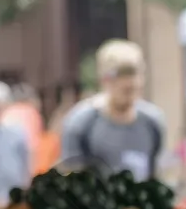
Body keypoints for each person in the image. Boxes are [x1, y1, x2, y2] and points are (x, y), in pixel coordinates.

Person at [60, 40, 166, 180]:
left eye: (134, 76)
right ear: (105, 80)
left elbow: (155, 174)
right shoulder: (82, 123)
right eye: (121, 77)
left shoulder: (152, 122)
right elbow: (72, 176)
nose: (129, 83)